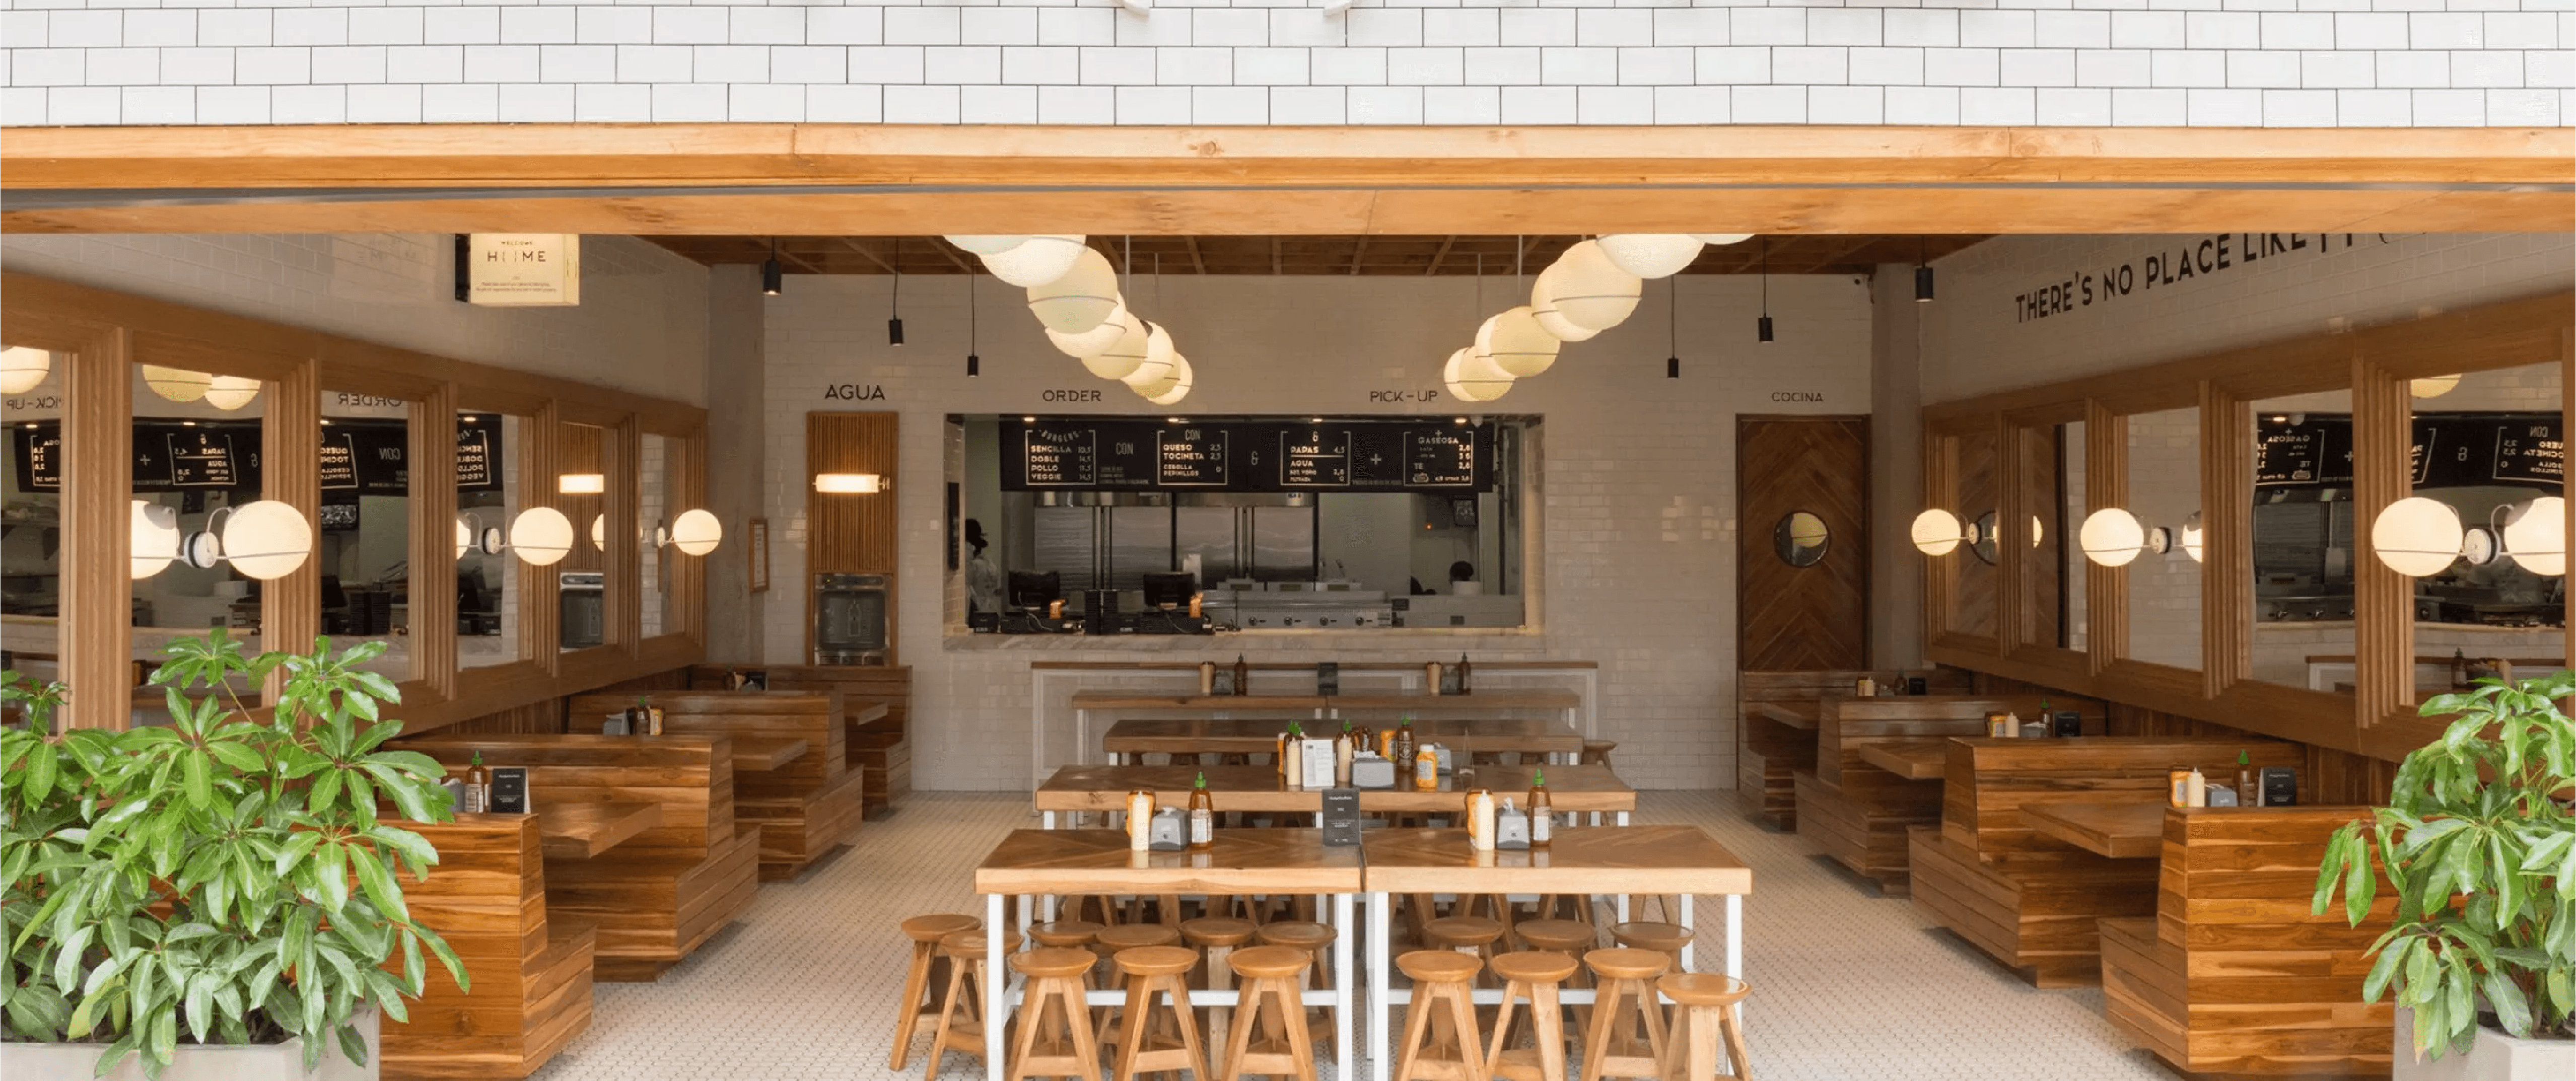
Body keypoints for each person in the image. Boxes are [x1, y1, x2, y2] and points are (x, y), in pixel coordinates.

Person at [965, 519, 1005, 616]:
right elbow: (998, 590)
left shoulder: (973, 564)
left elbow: (967, 588)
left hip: (976, 611)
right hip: (991, 609)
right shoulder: (988, 563)